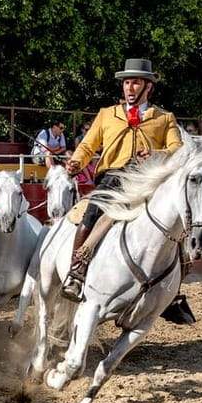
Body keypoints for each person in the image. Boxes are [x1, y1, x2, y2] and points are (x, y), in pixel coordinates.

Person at [60, 58, 182, 301]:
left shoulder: (164, 118)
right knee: (91, 215)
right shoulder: (107, 114)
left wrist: (155, 154)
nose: (130, 88)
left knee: (178, 223)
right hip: (113, 179)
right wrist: (76, 162)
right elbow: (88, 145)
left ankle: (174, 290)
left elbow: (177, 149)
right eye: (126, 83)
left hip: (149, 180)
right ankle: (76, 272)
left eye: (135, 83)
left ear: (148, 86)